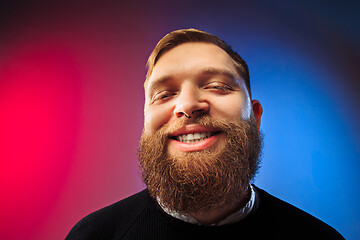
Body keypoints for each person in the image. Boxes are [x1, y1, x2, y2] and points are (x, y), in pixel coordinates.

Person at [66, 28, 344, 239]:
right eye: (164, 94)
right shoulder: (94, 235)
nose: (187, 106)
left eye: (217, 86)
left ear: (255, 116)